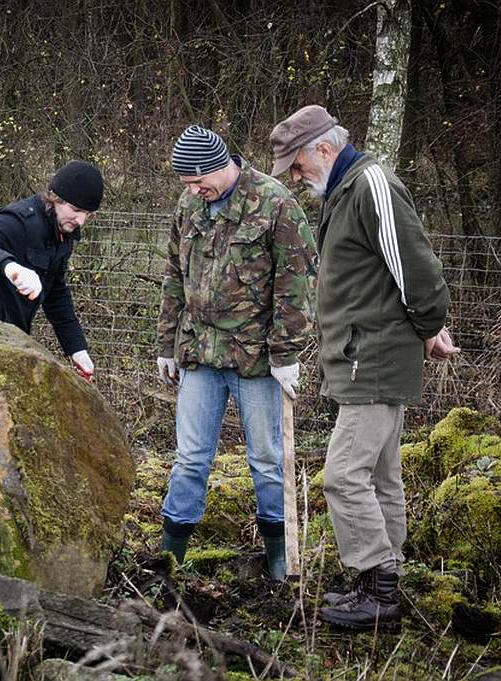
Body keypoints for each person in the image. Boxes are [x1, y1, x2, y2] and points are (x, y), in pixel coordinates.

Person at [269, 105, 458, 630]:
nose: (297, 177)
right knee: (379, 473)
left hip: (371, 359)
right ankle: (382, 577)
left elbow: (414, 266)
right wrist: (425, 329)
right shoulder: (347, 188)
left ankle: (378, 589)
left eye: (299, 166)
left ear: (324, 150)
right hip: (364, 355)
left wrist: (428, 325)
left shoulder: (371, 184)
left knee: (344, 475)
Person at [156, 125, 318, 581]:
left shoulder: (275, 203)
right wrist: (166, 343)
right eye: (186, 184)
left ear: (216, 166)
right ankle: (170, 561)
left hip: (257, 361)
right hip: (200, 355)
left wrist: (286, 352)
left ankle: (280, 563)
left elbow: (297, 282)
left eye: (196, 180)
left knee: (267, 460)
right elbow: (173, 274)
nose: (192, 190)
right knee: (190, 459)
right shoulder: (190, 205)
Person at [0, 161, 103, 381]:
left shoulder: (62, 234)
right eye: (76, 210)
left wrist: (77, 349)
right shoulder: (20, 221)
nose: (80, 221)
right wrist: (10, 267)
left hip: (9, 340)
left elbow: (56, 295)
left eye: (87, 214)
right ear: (55, 198)